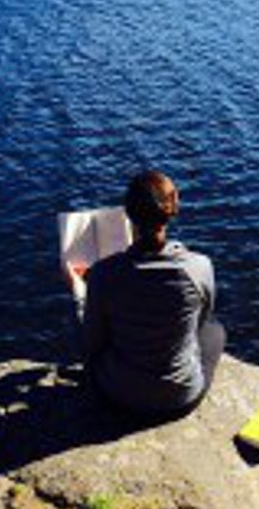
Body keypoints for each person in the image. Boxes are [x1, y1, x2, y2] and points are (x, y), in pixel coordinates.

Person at [74, 171, 225, 418]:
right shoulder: (199, 266)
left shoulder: (102, 274)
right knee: (215, 331)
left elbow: (92, 341)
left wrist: (85, 290)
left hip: (119, 396)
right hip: (180, 398)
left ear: (128, 213)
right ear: (174, 206)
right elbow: (201, 319)